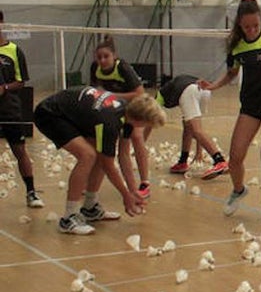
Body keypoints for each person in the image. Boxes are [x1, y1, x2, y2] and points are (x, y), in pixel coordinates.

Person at [200, 0, 261, 223]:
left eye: (255, 25)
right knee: (235, 156)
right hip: (250, 106)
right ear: (239, 26)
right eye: (246, 27)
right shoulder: (237, 45)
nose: (251, 30)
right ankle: (238, 189)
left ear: (260, 20)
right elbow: (232, 73)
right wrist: (214, 85)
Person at [32, 87, 165, 234]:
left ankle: (90, 207)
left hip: (72, 112)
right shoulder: (110, 122)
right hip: (50, 114)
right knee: (88, 155)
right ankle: (68, 218)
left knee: (101, 152)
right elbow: (108, 166)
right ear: (140, 120)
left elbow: (124, 155)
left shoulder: (126, 113)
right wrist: (126, 196)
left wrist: (133, 191)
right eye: (146, 125)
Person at [89, 36, 152, 200]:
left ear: (114, 56)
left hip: (133, 107)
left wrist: (111, 95)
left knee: (137, 137)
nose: (102, 60)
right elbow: (95, 91)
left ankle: (145, 182)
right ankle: (131, 188)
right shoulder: (95, 68)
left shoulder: (122, 67)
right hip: (114, 110)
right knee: (121, 149)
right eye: (99, 57)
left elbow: (139, 93)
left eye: (106, 56)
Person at [0, 12, 43, 209]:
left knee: (20, 151)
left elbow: (21, 81)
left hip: (9, 110)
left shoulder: (14, 51)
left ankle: (31, 192)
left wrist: (5, 88)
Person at [156, 74, 229, 179]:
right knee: (189, 127)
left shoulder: (160, 95)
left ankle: (220, 161)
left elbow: (150, 117)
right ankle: (182, 162)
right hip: (204, 90)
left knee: (196, 130)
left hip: (189, 91)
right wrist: (198, 152)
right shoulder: (179, 83)